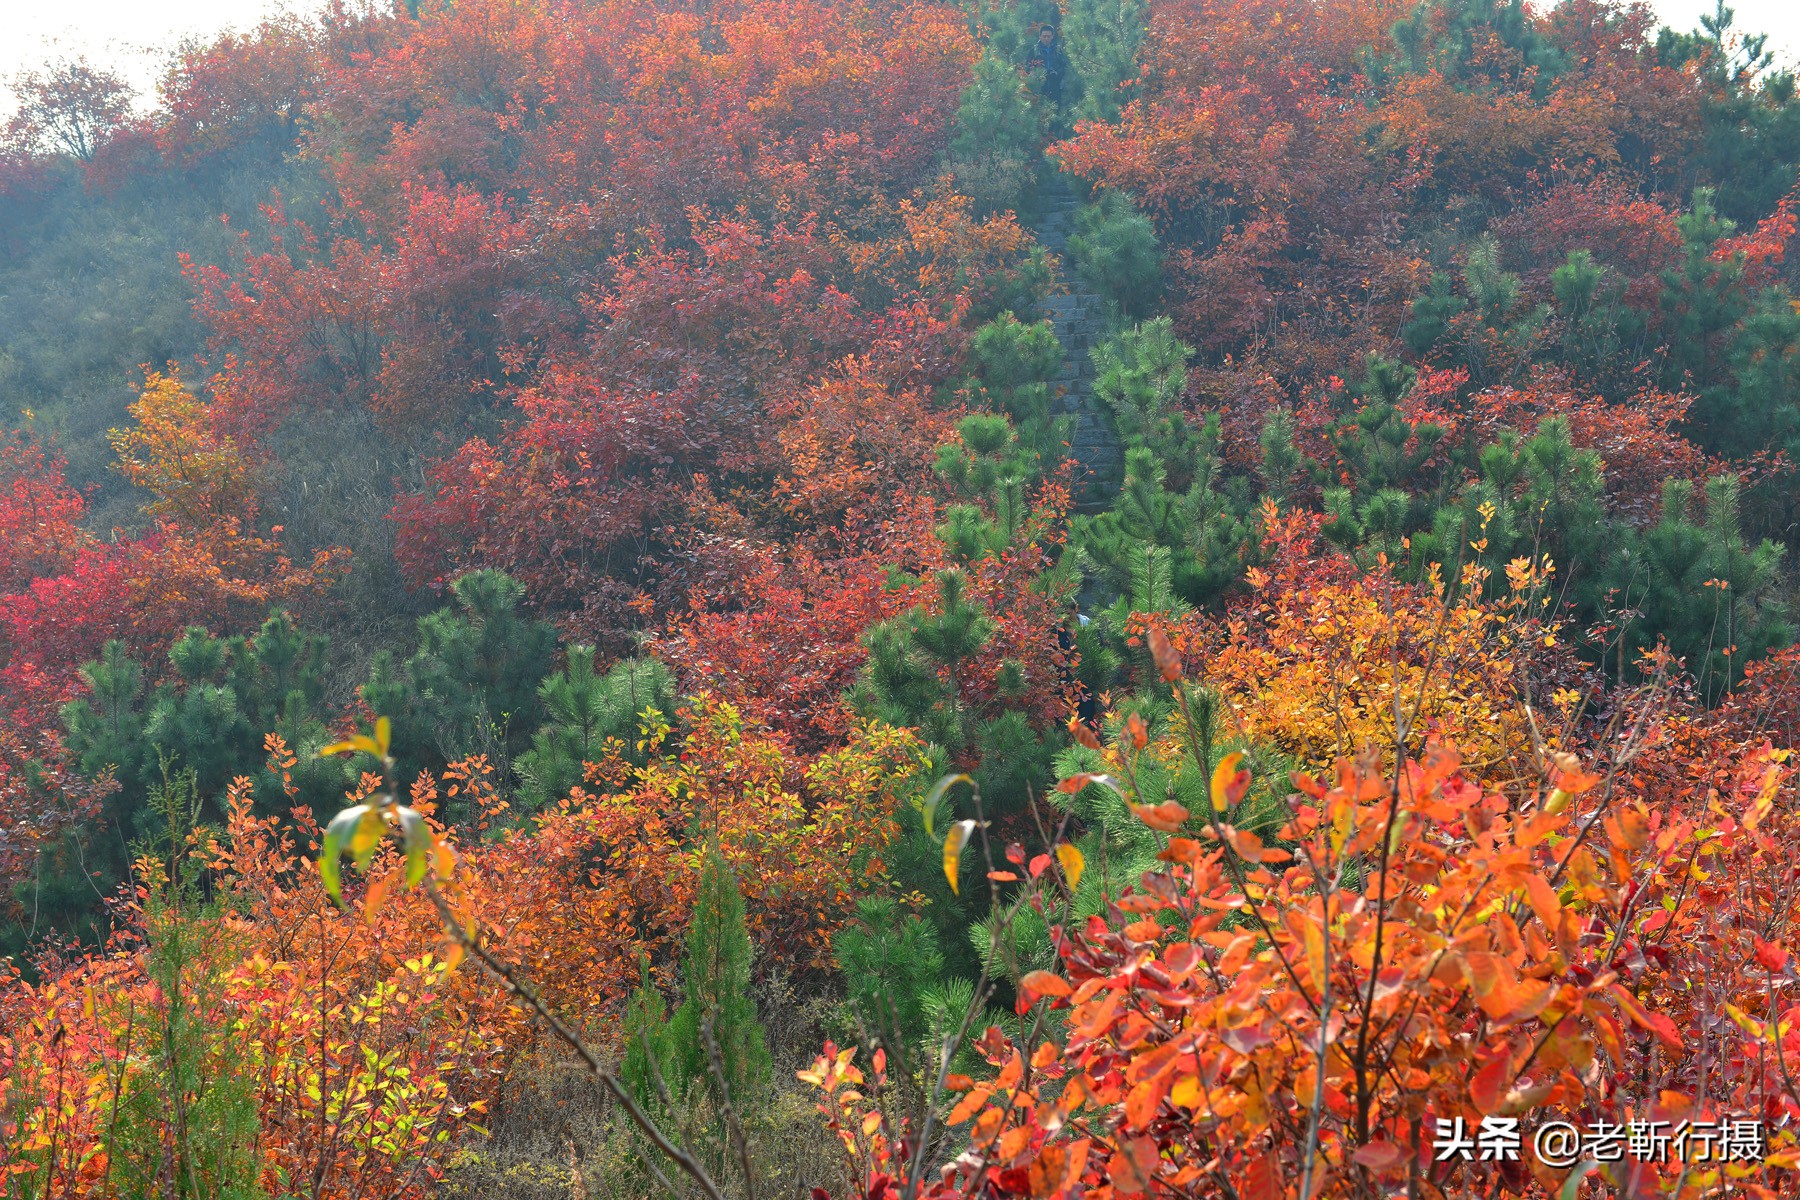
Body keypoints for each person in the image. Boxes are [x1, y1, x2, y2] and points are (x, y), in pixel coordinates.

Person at [1024, 23, 1068, 108]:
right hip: (1039, 88)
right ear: (1040, 36)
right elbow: (1027, 67)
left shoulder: (1058, 50)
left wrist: (1057, 73)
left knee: (1055, 112)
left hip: (1055, 87)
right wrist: (1037, 75)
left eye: (1048, 36)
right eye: (1044, 36)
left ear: (1052, 36)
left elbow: (1064, 67)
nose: (1046, 38)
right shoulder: (1034, 51)